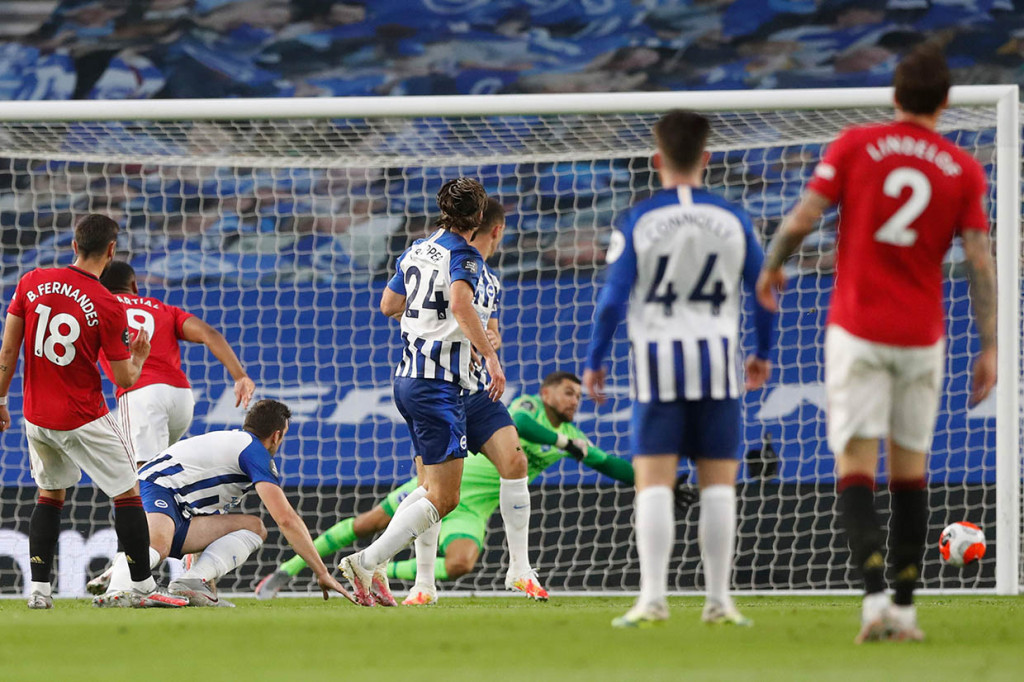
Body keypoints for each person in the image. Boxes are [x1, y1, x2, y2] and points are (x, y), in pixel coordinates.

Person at [755, 44, 995, 643]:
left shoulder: (855, 145)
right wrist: (990, 345)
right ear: (945, 102)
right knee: (910, 472)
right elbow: (980, 261)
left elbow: (803, 217)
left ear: (894, 95)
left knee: (856, 467)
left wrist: (773, 264)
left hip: (858, 329)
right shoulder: (962, 168)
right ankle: (907, 612)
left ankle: (873, 603)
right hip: (921, 335)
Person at [255, 371, 679, 603]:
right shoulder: (528, 408)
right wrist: (563, 442)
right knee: (367, 522)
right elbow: (522, 421)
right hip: (446, 477)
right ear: (547, 392)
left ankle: (386, 571)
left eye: (578, 397)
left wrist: (662, 484)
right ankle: (286, 571)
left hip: (475, 507)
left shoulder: (573, 435)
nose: (573, 401)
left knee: (461, 563)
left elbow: (610, 464)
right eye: (567, 393)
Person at [585, 110, 775, 628]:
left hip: (657, 368)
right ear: (706, 158)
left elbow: (611, 300)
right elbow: (765, 291)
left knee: (653, 484)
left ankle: (652, 599)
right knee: (718, 487)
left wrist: (595, 361)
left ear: (657, 159)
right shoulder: (734, 218)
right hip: (719, 367)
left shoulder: (640, 219)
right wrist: (762, 351)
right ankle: (719, 602)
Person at [338, 180, 538, 607]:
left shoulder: (417, 249)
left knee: (435, 488)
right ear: (480, 219)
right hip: (438, 385)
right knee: (444, 497)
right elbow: (461, 305)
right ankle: (369, 562)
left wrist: (435, 327)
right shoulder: (464, 257)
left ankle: (383, 567)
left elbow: (389, 306)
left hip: (415, 379)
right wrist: (490, 358)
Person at [0, 213, 186, 609]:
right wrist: (139, 356)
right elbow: (124, 378)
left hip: (36, 417)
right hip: (83, 415)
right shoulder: (106, 303)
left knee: (50, 494)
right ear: (112, 250)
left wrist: (0, 401)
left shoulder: (31, 281)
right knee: (129, 491)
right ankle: (142, 586)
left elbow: (8, 351)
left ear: (74, 245)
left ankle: (39, 592)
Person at [86, 260, 256, 595]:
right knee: (167, 481)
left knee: (140, 484)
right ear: (135, 286)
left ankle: (127, 568)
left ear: (102, 287)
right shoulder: (163, 309)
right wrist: (239, 376)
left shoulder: (102, 307)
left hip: (142, 395)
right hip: (181, 397)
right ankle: (181, 559)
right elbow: (209, 334)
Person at [95, 399, 352, 607]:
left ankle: (193, 582)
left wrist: (206, 579)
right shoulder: (254, 452)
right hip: (154, 487)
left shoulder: (232, 448)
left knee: (254, 527)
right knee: (158, 546)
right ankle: (118, 590)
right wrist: (321, 572)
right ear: (276, 436)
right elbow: (286, 519)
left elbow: (208, 520)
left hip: (177, 508)